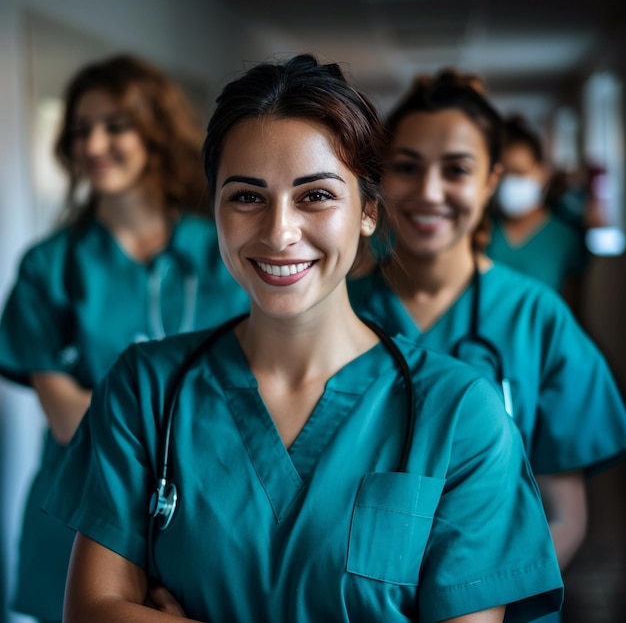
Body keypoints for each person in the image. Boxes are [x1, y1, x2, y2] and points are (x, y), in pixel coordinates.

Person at [43, 54, 563, 622]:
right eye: (246, 196)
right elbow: (92, 611)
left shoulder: (461, 413)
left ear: (367, 210)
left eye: (315, 196)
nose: (279, 232)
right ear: (213, 208)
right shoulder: (146, 388)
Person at [348, 70, 626, 623]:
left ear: (491, 181)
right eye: (407, 166)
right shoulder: (337, 311)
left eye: (456, 169)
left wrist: (477, 605)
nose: (429, 190)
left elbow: (559, 512)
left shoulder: (535, 317)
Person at [0, 54, 249, 623]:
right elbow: (70, 421)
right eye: (82, 129)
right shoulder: (51, 266)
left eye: (115, 125)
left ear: (155, 134)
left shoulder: (221, 249)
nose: (93, 144)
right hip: (80, 510)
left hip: (203, 511)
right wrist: (180, 425)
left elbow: (254, 385)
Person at [487, 114, 589, 310]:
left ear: (541, 173)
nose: (509, 182)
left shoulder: (565, 238)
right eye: (503, 174)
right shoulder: (481, 229)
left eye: (518, 172)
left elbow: (571, 312)